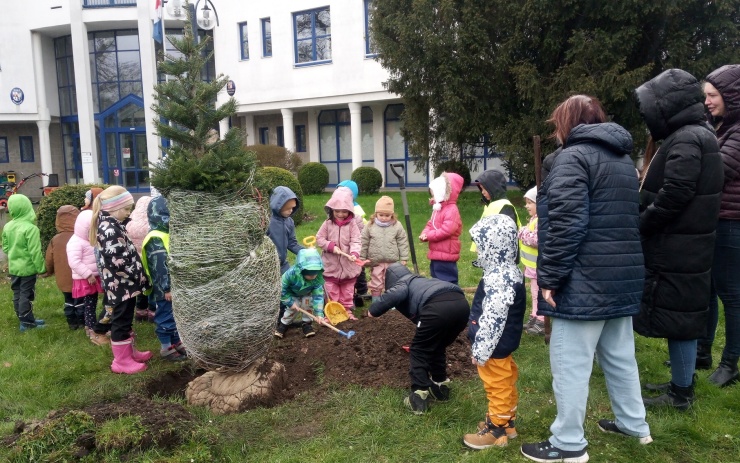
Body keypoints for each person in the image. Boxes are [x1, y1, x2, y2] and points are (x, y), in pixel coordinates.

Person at [520, 95, 652, 463]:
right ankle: (634, 424)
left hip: (584, 280)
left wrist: (550, 278)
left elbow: (564, 225)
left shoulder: (571, 159)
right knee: (621, 356)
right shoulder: (623, 160)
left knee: (570, 363)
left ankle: (568, 444)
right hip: (620, 276)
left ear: (568, 122)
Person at [633, 68, 724, 410]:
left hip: (679, 245)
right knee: (680, 317)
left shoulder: (688, 138)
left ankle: (680, 394)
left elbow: (676, 193)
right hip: (686, 242)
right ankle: (680, 384)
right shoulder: (697, 134)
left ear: (667, 104)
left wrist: (643, 222)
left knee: (682, 319)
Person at [368, 263, 469, 414]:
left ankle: (419, 395)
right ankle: (440, 387)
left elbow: (395, 294)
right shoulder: (421, 280)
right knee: (437, 345)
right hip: (461, 306)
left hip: (436, 308)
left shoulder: (403, 282)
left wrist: (373, 311)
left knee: (419, 349)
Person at [462, 214, 526, 449]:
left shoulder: (499, 279)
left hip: (494, 346)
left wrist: (480, 350)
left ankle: (495, 430)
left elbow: (493, 319)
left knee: (497, 384)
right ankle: (507, 422)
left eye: (481, 246)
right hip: (504, 344)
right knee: (506, 380)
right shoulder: (509, 271)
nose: (478, 251)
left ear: (493, 246)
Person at [702, 64, 740, 387]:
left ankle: (730, 364)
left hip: (732, 223)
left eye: (713, 95)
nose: (708, 102)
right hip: (720, 220)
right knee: (709, 290)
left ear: (731, 95)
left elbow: (719, 167)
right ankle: (702, 353)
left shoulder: (738, 131)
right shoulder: (725, 127)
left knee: (732, 295)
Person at [89, 186, 151, 374]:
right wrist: (137, 275)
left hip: (126, 286)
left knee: (126, 319)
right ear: (113, 208)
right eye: (126, 209)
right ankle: (121, 361)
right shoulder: (110, 228)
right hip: (122, 286)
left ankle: (129, 352)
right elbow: (119, 263)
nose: (128, 212)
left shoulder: (114, 225)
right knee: (120, 321)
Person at [141, 196, 186, 361]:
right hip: (164, 289)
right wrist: (167, 288)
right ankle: (166, 348)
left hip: (169, 287)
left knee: (173, 314)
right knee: (165, 315)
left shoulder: (164, 233)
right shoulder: (157, 238)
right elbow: (161, 267)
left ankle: (176, 341)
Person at [316, 187, 362, 321]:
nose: (341, 214)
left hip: (348, 265)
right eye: (337, 211)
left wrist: (354, 253)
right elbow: (319, 238)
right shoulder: (327, 224)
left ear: (350, 210)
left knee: (348, 290)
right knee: (331, 289)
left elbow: (356, 240)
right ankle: (333, 311)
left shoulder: (353, 225)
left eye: (344, 211)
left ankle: (346, 310)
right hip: (331, 265)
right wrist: (330, 246)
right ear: (331, 210)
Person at [2, 194, 46, 331]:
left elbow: (5, 247)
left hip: (14, 268)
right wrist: (41, 268)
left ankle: (25, 318)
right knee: (26, 294)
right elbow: (35, 251)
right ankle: (27, 323)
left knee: (17, 293)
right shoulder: (31, 228)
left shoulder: (8, 226)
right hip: (27, 269)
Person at [360, 196, 410, 302]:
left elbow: (402, 241)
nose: (383, 217)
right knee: (376, 280)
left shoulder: (396, 225)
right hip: (375, 260)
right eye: (381, 215)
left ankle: (390, 302)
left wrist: (404, 257)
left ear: (392, 214)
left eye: (387, 215)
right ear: (376, 214)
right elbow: (364, 241)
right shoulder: (370, 225)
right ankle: (376, 302)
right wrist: (362, 257)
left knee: (391, 281)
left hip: (392, 261)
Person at [67, 210, 106, 344]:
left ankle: (96, 324)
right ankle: (90, 327)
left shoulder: (91, 239)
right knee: (89, 304)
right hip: (86, 278)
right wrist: (87, 274)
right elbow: (74, 262)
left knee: (94, 301)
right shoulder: (75, 242)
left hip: (95, 276)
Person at [267, 186, 304, 327]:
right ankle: (273, 321)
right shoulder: (268, 222)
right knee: (274, 294)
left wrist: (305, 252)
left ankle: (283, 320)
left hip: (283, 264)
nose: (291, 211)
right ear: (278, 205)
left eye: (293, 208)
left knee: (287, 290)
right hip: (269, 266)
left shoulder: (289, 222)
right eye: (288, 208)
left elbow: (292, 243)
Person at [420, 172, 464, 285]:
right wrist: (425, 233)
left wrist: (429, 235)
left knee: (447, 280)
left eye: (434, 194)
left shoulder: (451, 210)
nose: (432, 197)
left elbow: (447, 230)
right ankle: (440, 299)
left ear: (442, 193)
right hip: (437, 252)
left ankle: (452, 299)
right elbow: (431, 223)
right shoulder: (438, 208)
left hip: (446, 254)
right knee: (436, 279)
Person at [274, 247, 326, 339]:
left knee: (307, 306)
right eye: (309, 275)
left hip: (307, 293)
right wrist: (290, 302)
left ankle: (306, 324)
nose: (313, 277)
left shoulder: (317, 278)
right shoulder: (290, 275)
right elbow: (281, 289)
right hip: (291, 294)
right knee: (293, 309)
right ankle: (284, 324)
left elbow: (318, 296)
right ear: (301, 271)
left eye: (315, 274)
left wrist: (318, 314)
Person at [44, 205, 81, 329]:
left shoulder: (56, 239)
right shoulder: (81, 237)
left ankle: (72, 322)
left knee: (68, 300)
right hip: (80, 276)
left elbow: (49, 259)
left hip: (63, 278)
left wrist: (48, 272)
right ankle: (82, 322)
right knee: (80, 301)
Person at [337, 179, 370, 307]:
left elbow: (362, 226)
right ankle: (347, 293)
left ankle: (361, 291)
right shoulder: (338, 208)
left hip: (355, 245)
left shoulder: (355, 209)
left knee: (358, 269)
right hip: (342, 246)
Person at [126, 195, 154, 323]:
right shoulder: (150, 222)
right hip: (147, 259)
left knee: (140, 287)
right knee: (150, 286)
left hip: (134, 260)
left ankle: (140, 311)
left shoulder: (130, 221)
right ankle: (152, 312)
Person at [519, 187, 543, 335]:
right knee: (534, 293)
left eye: (530, 202)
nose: (526, 206)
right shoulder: (534, 219)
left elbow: (536, 239)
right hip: (532, 267)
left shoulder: (541, 220)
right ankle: (534, 316)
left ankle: (541, 319)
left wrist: (522, 231)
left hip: (539, 267)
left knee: (539, 293)